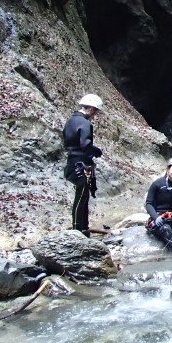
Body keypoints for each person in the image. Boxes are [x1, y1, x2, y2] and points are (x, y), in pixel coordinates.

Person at [62, 94, 104, 237]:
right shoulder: (85, 124)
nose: (95, 115)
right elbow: (85, 144)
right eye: (96, 112)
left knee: (82, 196)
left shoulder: (70, 121)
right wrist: (96, 151)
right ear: (91, 109)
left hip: (71, 162)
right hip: (81, 165)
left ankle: (83, 227)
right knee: (81, 197)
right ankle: (77, 229)